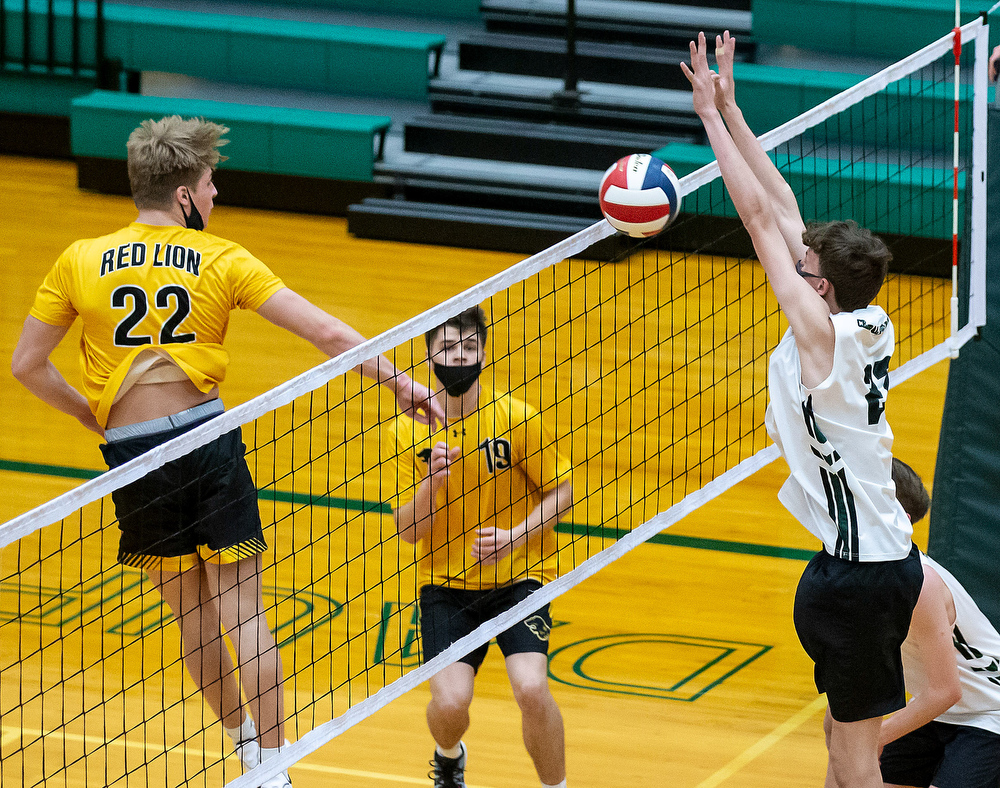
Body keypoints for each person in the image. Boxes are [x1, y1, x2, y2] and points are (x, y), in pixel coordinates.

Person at [10, 115, 444, 788]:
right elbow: (326, 332)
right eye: (210, 184)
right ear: (184, 194)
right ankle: (273, 769)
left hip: (133, 456)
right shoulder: (222, 258)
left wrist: (98, 420)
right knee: (244, 611)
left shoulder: (77, 258)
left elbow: (28, 366)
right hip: (207, 442)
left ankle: (245, 745)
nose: (216, 196)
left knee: (192, 615)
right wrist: (403, 384)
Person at [681, 32, 924, 787]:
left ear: (818, 286)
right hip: (886, 562)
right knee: (842, 739)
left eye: (804, 266)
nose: (796, 260)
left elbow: (758, 220)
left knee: (857, 763)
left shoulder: (818, 337)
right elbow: (783, 205)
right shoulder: (864, 318)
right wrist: (734, 107)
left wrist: (708, 123)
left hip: (856, 577)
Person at [383, 306, 573, 788]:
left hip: (518, 582)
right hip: (445, 586)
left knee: (531, 688)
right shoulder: (406, 433)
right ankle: (449, 757)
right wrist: (432, 481)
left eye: (468, 348)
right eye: (448, 347)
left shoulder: (517, 418)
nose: (459, 357)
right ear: (428, 356)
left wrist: (514, 538)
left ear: (484, 355)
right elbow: (407, 531)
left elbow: (563, 493)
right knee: (450, 705)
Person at [872, 458, 1000, 788]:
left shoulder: (920, 583)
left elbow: (946, 690)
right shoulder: (860, 572)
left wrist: (874, 737)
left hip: (990, 712)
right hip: (933, 708)